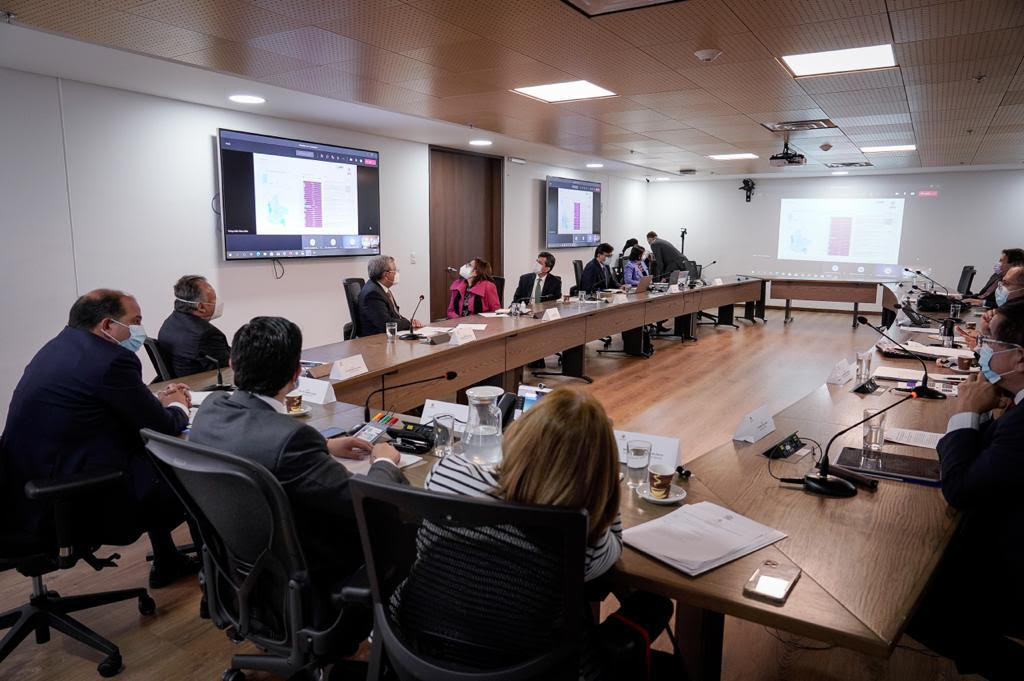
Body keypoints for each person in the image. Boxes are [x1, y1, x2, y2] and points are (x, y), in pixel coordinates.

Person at [190, 316, 408, 653]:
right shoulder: (290, 439)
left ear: (233, 363)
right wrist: (382, 460)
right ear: (296, 375)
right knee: (409, 526)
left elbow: (259, 443)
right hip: (312, 576)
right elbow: (364, 503)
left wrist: (323, 446)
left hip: (242, 570)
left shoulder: (211, 411)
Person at [397, 387, 623, 680]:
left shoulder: (447, 474)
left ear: (517, 435)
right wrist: (602, 487)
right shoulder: (583, 536)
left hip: (420, 656)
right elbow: (616, 540)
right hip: (527, 670)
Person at [0, 289, 199, 588]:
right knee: (190, 472)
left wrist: (150, 400)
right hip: (67, 497)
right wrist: (179, 406)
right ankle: (219, 582)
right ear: (107, 326)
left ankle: (168, 560)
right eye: (136, 321)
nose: (139, 329)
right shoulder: (111, 360)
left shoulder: (61, 347)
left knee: (149, 459)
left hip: (22, 489)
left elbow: (98, 405)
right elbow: (162, 426)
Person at [906, 299, 1024, 680]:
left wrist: (965, 413)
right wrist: (989, 408)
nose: (979, 348)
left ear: (1019, 359)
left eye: (989, 341)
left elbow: (960, 488)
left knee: (909, 597)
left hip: (1008, 562)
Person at [157, 274, 230, 378]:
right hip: (203, 386)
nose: (218, 302)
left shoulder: (171, 322)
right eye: (214, 299)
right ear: (201, 307)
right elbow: (227, 372)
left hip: (182, 382)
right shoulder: (207, 335)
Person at [357, 254, 422, 336]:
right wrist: (407, 323)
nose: (396, 274)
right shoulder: (372, 294)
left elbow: (395, 315)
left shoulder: (381, 289)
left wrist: (410, 322)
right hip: (376, 342)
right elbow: (387, 324)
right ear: (386, 275)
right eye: (394, 271)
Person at [961, 266, 1024, 348]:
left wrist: (980, 347)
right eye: (1002, 282)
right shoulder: (1009, 312)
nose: (1001, 287)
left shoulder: (1016, 318)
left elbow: (1009, 356)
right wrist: (987, 336)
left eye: (1006, 283)